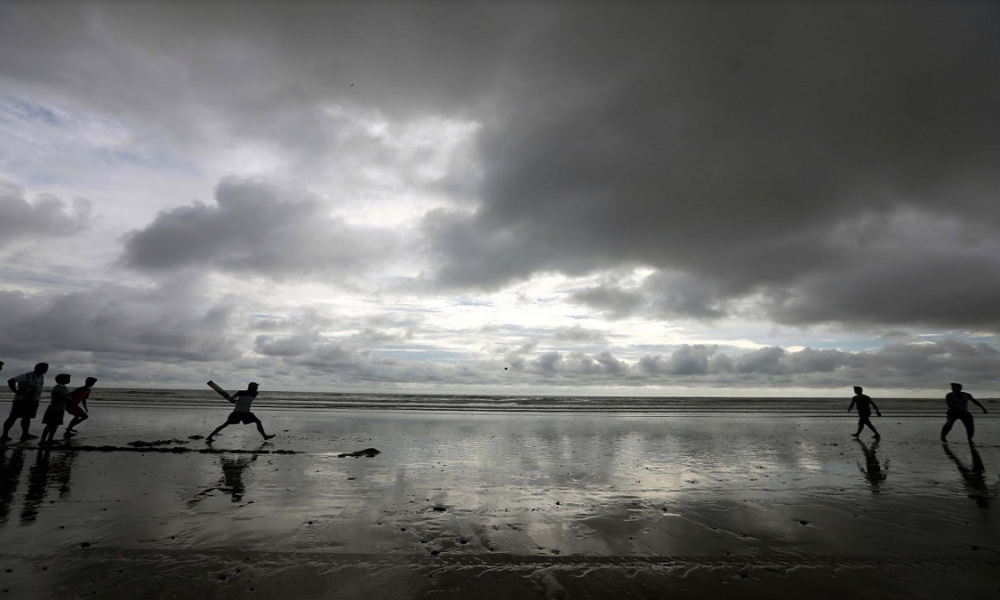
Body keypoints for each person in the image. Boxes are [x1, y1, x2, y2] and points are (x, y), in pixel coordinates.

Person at [206, 382, 275, 442]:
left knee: (225, 424)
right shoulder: (254, 393)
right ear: (252, 387)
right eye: (256, 386)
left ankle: (210, 436)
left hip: (237, 412)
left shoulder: (241, 392)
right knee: (258, 422)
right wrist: (235, 401)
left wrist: (233, 401)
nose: (257, 388)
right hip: (245, 413)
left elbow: (232, 399)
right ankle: (265, 436)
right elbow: (246, 399)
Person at [2, 362, 49, 443]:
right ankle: (4, 435)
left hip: (33, 400)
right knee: (13, 417)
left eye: (46, 369)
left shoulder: (41, 376)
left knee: (27, 418)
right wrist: (15, 391)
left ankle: (25, 434)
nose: (46, 370)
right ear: (38, 368)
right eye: (44, 368)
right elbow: (11, 381)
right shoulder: (27, 375)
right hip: (21, 400)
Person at [39, 374, 72, 446]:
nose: (69, 380)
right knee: (50, 425)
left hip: (60, 409)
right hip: (54, 409)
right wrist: (68, 399)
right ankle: (43, 440)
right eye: (67, 378)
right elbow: (61, 397)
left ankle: (49, 439)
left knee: (55, 425)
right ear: (62, 380)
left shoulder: (64, 387)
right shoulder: (58, 387)